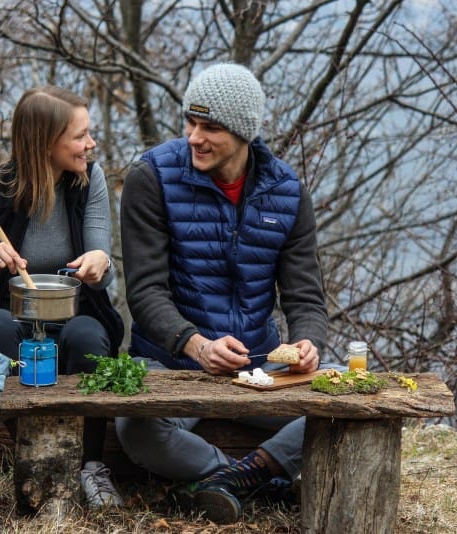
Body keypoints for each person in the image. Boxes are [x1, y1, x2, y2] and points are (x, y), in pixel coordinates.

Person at [115, 63, 331, 523]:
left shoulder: (288, 193)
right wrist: (196, 344)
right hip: (170, 360)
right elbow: (146, 292)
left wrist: (309, 341)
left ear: (244, 132)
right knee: (136, 428)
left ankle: (233, 481)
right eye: (190, 123)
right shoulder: (150, 177)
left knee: (346, 393)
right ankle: (249, 475)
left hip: (261, 367)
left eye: (210, 127)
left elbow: (306, 298)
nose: (195, 137)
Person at [0, 86, 124, 509]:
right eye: (80, 136)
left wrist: (99, 263)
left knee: (90, 336)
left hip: (75, 312)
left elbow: (102, 275)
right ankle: (24, 457)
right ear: (45, 142)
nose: (90, 144)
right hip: (10, 316)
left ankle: (91, 465)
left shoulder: (89, 181)